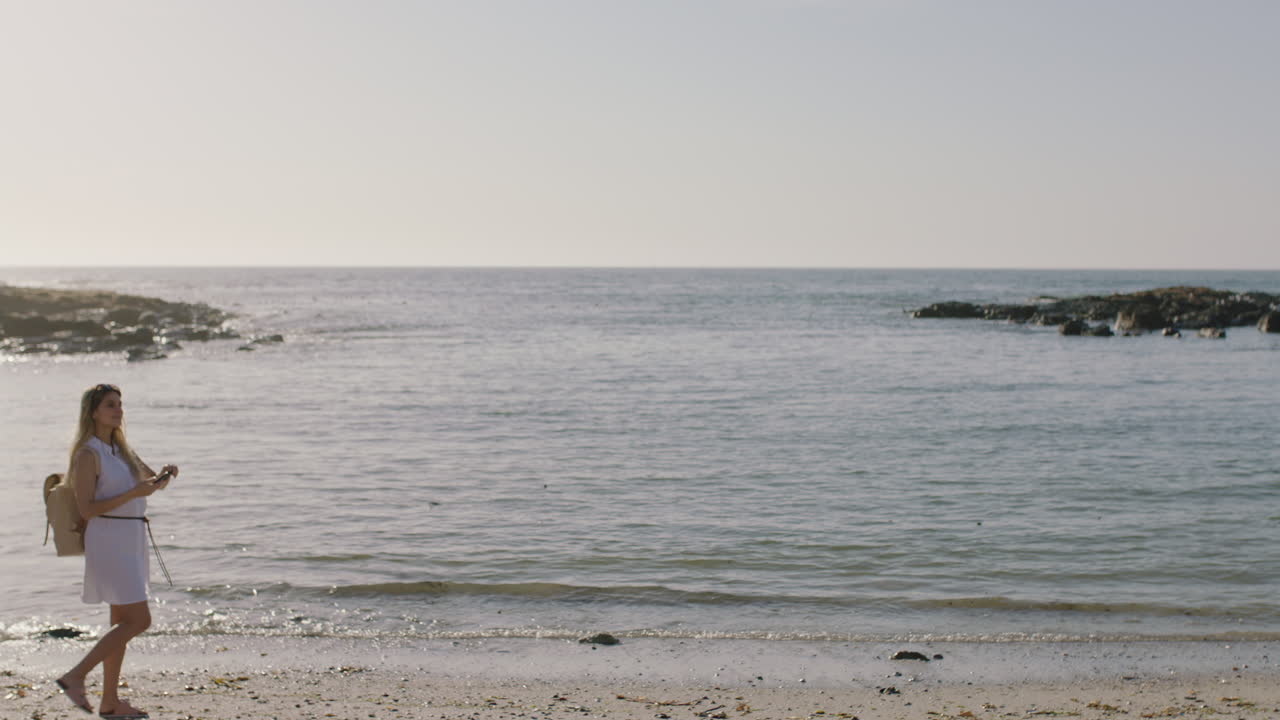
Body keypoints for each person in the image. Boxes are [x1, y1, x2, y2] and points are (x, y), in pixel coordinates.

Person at [55, 383, 177, 719]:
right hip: (108, 539)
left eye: (120, 404)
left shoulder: (123, 450)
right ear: (93, 411)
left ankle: (110, 703)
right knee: (140, 620)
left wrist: (166, 475)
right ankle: (75, 676)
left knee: (121, 621)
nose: (118, 410)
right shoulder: (87, 454)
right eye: (110, 405)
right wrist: (134, 492)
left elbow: (150, 485)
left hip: (131, 537)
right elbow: (88, 509)